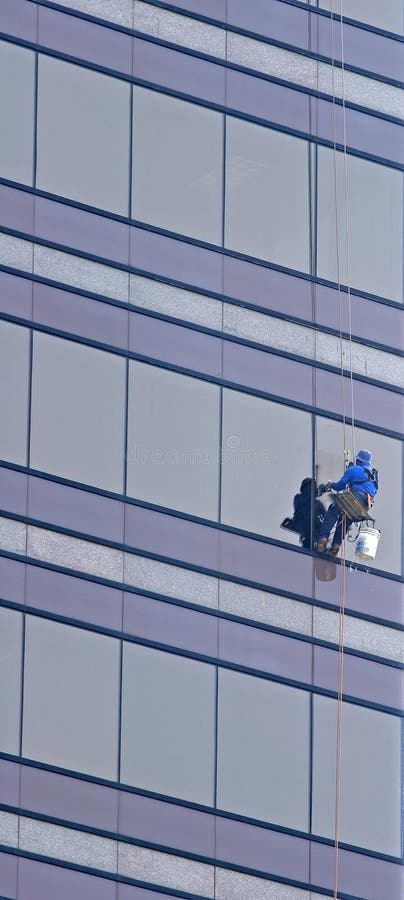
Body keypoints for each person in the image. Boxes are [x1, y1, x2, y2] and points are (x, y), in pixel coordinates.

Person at [316, 449, 378, 556]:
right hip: (364, 505)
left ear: (358, 460)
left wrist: (331, 485)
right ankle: (336, 545)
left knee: (333, 510)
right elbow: (373, 490)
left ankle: (323, 538)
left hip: (355, 497)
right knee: (345, 519)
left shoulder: (354, 469)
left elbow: (341, 485)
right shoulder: (373, 475)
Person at [293, 478, 325, 549]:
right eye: (310, 487)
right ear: (304, 488)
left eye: (313, 487)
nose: (312, 489)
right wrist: (317, 493)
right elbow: (305, 504)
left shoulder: (317, 503)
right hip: (305, 527)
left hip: (315, 533)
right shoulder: (298, 498)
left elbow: (324, 518)